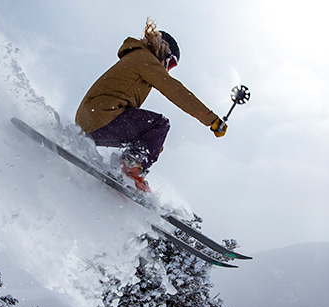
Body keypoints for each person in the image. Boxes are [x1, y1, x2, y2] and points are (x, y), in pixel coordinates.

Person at [75, 18, 227, 192]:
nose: (166, 69)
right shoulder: (144, 58)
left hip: (92, 121)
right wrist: (211, 120)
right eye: (170, 63)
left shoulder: (137, 57)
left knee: (151, 139)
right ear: (164, 50)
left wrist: (154, 145)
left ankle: (127, 169)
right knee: (160, 124)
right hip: (101, 116)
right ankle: (129, 170)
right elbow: (176, 91)